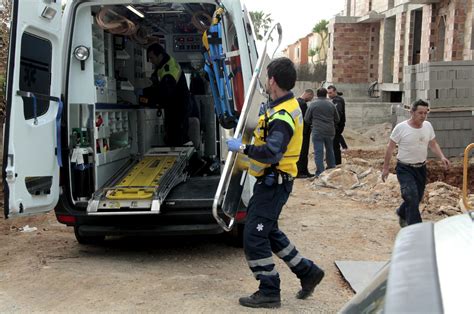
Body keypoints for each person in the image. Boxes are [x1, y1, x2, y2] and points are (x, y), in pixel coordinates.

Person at [226, 57, 324, 309]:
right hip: (273, 183)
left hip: (274, 184)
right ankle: (307, 272)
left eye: (267, 78)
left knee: (254, 237)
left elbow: (272, 152)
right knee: (267, 231)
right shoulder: (283, 106)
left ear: (272, 80)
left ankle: (269, 290)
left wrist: (244, 148)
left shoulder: (283, 115)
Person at [381, 99, 450, 227]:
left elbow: (433, 143)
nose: (423, 116)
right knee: (411, 195)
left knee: (416, 198)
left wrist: (442, 157)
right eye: (420, 113)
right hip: (405, 168)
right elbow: (390, 148)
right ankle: (416, 229)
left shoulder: (428, 126)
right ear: (412, 112)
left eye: (425, 113)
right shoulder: (401, 128)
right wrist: (386, 168)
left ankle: (402, 212)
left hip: (421, 168)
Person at [144, 43, 190, 146]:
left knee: (177, 136)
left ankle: (184, 159)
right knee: (173, 134)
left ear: (159, 55)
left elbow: (166, 91)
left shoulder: (169, 69)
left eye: (151, 58)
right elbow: (156, 77)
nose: (150, 61)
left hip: (178, 106)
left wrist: (151, 98)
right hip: (174, 105)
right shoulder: (163, 64)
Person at [304, 88, 340, 177]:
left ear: (317, 94)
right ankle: (331, 167)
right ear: (326, 94)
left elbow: (306, 119)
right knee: (330, 149)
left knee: (318, 152)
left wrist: (313, 122)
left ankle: (320, 172)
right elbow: (337, 119)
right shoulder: (331, 104)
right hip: (330, 130)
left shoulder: (313, 105)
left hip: (317, 131)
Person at [296, 89, 315, 178]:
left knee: (301, 151)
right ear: (308, 94)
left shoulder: (296, 101)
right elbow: (305, 119)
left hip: (299, 131)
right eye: (311, 97)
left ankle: (302, 171)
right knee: (303, 152)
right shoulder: (302, 104)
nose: (311, 99)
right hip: (303, 132)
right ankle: (301, 171)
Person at [327, 85, 346, 165]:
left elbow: (338, 113)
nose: (329, 95)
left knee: (335, 146)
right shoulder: (336, 99)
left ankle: (337, 163)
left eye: (330, 93)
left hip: (337, 126)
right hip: (337, 125)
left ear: (335, 91)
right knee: (335, 144)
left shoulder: (337, 100)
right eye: (328, 93)